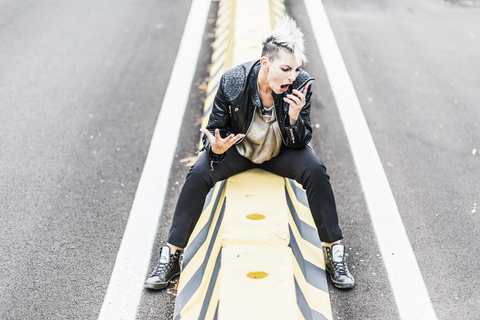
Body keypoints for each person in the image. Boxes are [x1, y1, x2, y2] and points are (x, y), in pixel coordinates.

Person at [144, 16, 354, 290]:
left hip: (281, 151)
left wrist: (293, 118)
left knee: (315, 170)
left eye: (296, 69)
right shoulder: (234, 81)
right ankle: (171, 256)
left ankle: (333, 250)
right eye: (285, 68)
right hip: (238, 151)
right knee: (198, 172)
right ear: (265, 64)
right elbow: (214, 130)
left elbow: (301, 140)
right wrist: (216, 150)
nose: (292, 76)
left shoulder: (300, 84)